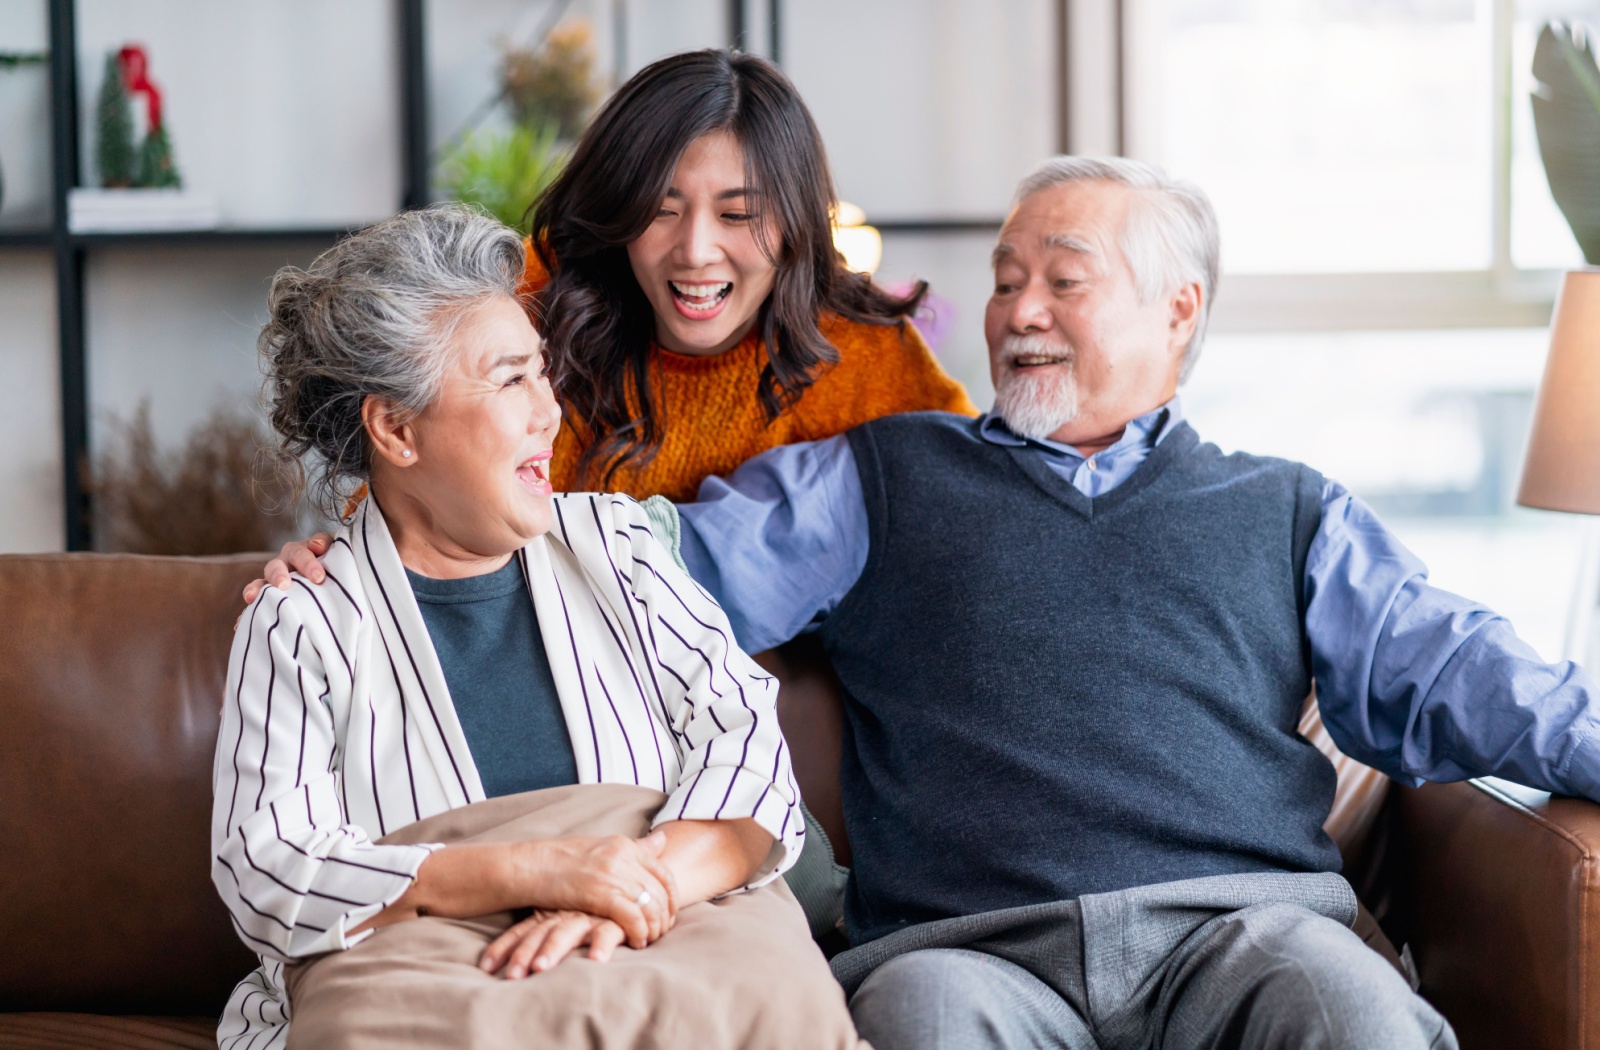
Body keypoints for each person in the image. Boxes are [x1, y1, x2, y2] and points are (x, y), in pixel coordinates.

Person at [639, 156, 1600, 1047]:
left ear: (1177, 310)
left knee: (1351, 1009)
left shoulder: (1288, 509)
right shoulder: (881, 479)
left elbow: (1458, 670)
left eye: (1064, 281)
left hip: (1244, 929)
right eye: (1007, 280)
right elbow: (644, 578)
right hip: (969, 949)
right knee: (918, 1017)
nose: (1019, 312)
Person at [213, 205, 857, 1050]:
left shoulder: (620, 549)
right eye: (509, 378)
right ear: (396, 429)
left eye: (540, 374)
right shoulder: (303, 620)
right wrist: (533, 868)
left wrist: (629, 885)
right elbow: (268, 872)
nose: (548, 413)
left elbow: (749, 755)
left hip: (668, 935)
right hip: (430, 978)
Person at [525, 48, 975, 502]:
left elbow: (978, 506)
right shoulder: (527, 296)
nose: (696, 251)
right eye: (660, 209)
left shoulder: (862, 353)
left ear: (796, 222)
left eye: (738, 214)